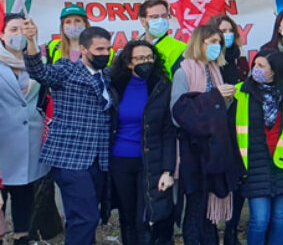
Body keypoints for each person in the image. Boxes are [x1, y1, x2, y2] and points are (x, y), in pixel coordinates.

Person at [24, 23, 114, 245]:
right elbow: (39, 72)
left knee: (81, 217)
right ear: (83, 49)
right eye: (99, 49)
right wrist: (31, 42)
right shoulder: (67, 69)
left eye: (107, 49)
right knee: (86, 218)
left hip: (97, 159)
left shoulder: (106, 77)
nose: (105, 53)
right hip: (69, 158)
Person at [171, 24, 240, 245]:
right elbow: (178, 113)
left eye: (219, 42)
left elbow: (218, 112)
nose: (217, 46)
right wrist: (215, 97)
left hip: (215, 149)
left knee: (209, 214)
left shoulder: (215, 70)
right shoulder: (183, 72)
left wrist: (226, 100)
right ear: (199, 43)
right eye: (212, 42)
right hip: (192, 151)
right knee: (195, 208)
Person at [109, 40, 177, 245]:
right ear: (129, 63)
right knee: (127, 215)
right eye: (139, 58)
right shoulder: (115, 85)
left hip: (149, 161)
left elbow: (168, 131)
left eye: (149, 57)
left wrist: (168, 169)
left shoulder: (162, 85)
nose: (145, 62)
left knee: (145, 216)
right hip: (120, 160)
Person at [234, 50, 283, 245]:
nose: (255, 69)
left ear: (274, 71)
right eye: (255, 65)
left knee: (280, 218)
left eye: (261, 66)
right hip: (256, 164)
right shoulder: (242, 91)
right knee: (260, 219)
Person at [0, 15, 50, 245]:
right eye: (13, 29)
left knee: (24, 195)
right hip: (4, 142)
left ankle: (22, 237)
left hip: (30, 141)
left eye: (23, 29)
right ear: (2, 34)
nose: (18, 34)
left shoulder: (38, 61)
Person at [139, 0, 187, 72]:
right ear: (143, 21)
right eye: (155, 17)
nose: (160, 20)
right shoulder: (133, 47)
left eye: (164, 16)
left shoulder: (181, 48)